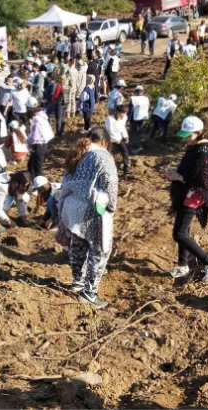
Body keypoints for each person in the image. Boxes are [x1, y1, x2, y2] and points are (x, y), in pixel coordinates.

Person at [56, 127, 119, 309]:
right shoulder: (104, 157)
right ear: (105, 142)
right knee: (101, 250)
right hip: (90, 208)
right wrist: (111, 208)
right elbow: (110, 185)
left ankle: (77, 281)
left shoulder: (78, 152)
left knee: (78, 244)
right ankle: (89, 293)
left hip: (71, 206)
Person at [166, 116, 208, 281]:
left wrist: (176, 176)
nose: (186, 138)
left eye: (188, 135)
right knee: (184, 230)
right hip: (187, 193)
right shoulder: (195, 147)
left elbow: (199, 179)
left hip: (194, 195)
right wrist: (175, 175)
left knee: (179, 234)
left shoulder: (203, 150)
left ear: (198, 132)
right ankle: (182, 266)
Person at [27, 99, 54, 178]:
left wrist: (28, 142)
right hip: (43, 143)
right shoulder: (42, 115)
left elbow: (35, 136)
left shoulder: (36, 119)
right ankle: (32, 181)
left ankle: (40, 184)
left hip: (39, 144)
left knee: (37, 167)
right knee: (31, 165)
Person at [105, 105, 130, 176]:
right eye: (122, 113)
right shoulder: (109, 119)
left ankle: (126, 169)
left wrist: (125, 136)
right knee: (108, 154)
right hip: (109, 139)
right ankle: (107, 169)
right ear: (118, 112)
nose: (124, 115)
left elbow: (122, 127)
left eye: (125, 113)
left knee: (125, 151)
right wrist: (116, 140)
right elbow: (110, 131)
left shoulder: (124, 118)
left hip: (118, 138)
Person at [129, 85, 150, 154]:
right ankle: (139, 145)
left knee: (134, 133)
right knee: (140, 132)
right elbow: (148, 107)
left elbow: (131, 110)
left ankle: (136, 148)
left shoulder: (133, 99)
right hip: (143, 117)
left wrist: (128, 119)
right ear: (143, 91)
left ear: (135, 92)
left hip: (135, 118)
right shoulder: (146, 98)